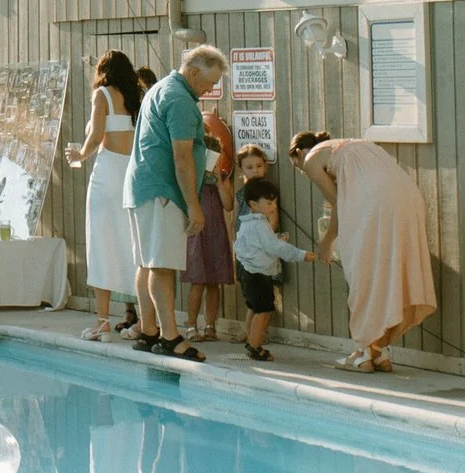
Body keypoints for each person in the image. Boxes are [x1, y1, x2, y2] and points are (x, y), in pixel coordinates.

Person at [291, 130, 439, 372]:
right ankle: (378, 351)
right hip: (408, 197)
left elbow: (338, 204)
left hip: (376, 202)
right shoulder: (355, 145)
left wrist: (326, 243)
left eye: (295, 163)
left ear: (298, 152)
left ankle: (362, 353)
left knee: (364, 270)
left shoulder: (310, 160)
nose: (300, 169)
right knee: (392, 269)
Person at [127, 44, 226, 362]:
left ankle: (149, 330)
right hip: (164, 191)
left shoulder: (161, 88)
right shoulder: (181, 100)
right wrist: (194, 206)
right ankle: (170, 337)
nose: (210, 89)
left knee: (147, 262)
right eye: (209, 82)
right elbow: (182, 158)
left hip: (143, 187)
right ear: (194, 71)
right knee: (162, 264)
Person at [71, 50, 143, 341]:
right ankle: (145, 320)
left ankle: (102, 320)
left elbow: (96, 135)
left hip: (108, 172)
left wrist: (79, 155)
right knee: (132, 246)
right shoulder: (135, 98)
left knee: (101, 245)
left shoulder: (102, 95)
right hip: (131, 174)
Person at [233, 175, 316, 361]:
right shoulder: (260, 225)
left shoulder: (248, 223)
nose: (273, 207)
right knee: (263, 311)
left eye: (274, 202)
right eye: (269, 203)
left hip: (248, 272)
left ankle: (252, 341)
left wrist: (275, 240)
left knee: (255, 308)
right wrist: (302, 255)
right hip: (258, 275)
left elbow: (260, 245)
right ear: (253, 204)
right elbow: (274, 248)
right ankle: (254, 346)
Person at [185, 102, 237, 342]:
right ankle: (191, 325)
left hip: (216, 231)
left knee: (214, 281)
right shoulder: (191, 180)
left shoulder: (221, 177)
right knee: (198, 280)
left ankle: (210, 325)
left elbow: (228, 205)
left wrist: (218, 179)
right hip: (197, 231)